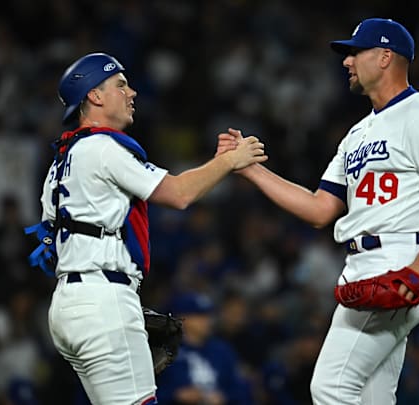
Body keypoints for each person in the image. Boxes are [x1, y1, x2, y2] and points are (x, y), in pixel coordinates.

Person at [217, 18, 419, 404]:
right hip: (364, 263)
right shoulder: (357, 133)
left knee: (330, 388)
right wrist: (251, 169)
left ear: (385, 56)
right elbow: (320, 208)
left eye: (356, 52)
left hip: (402, 260)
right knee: (372, 396)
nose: (346, 61)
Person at [36, 52, 267, 405]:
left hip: (68, 304)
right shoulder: (102, 147)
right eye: (120, 85)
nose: (132, 93)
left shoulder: (62, 160)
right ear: (94, 96)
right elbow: (178, 194)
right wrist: (230, 161)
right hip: (102, 298)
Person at [156, 292, 253, 404]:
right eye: (199, 316)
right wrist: (175, 395)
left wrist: (224, 396)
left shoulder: (222, 350)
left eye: (208, 316)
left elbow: (241, 390)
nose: (206, 321)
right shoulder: (163, 351)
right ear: (181, 318)